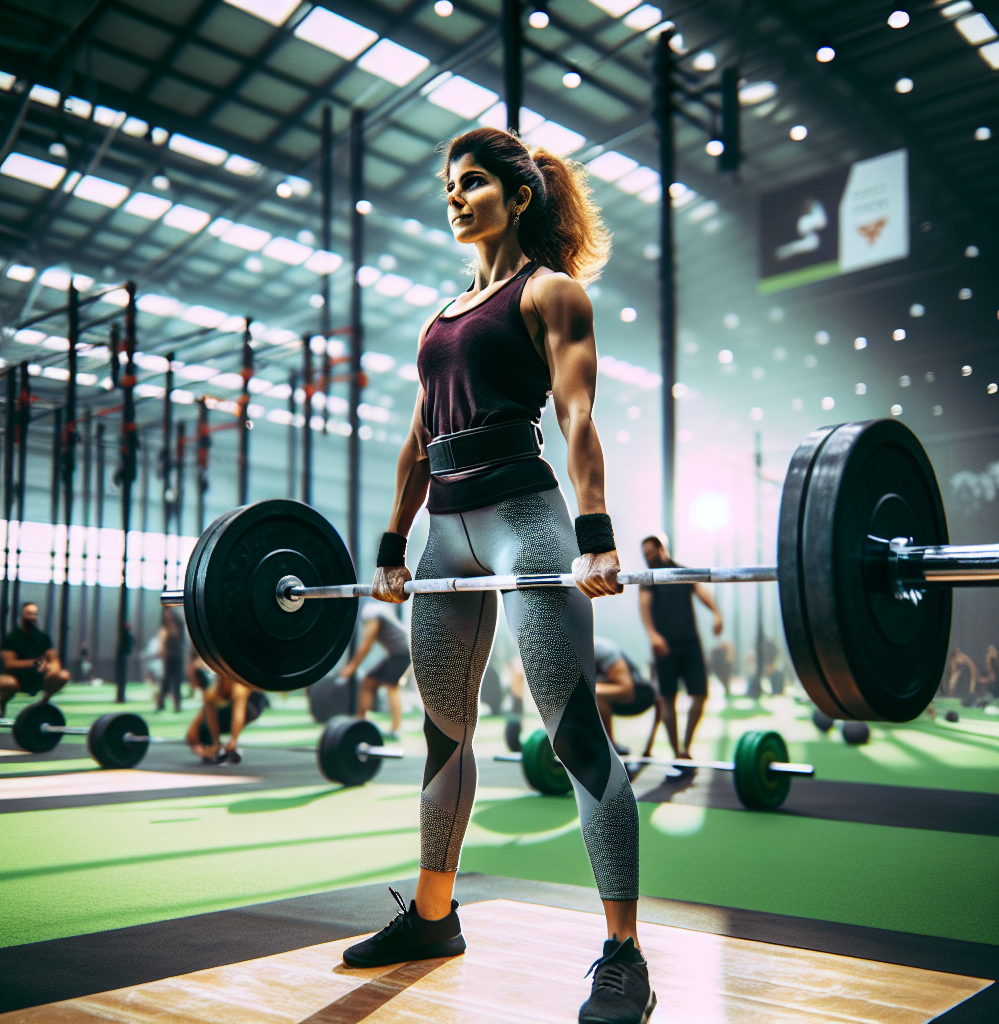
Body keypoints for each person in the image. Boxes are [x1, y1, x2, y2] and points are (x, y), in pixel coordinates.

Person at [341, 127, 654, 1024]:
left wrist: (595, 535)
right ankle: (433, 918)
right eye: (449, 184)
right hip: (445, 532)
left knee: (575, 737)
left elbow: (579, 411)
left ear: (518, 198)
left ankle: (624, 955)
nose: (454, 196)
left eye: (472, 182)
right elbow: (415, 439)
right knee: (445, 733)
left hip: (526, 521)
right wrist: (393, 546)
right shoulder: (438, 318)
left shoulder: (551, 292)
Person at [639, 533, 723, 761]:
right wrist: (653, 635)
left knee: (700, 695)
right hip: (664, 646)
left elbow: (700, 591)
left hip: (690, 642)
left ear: (661, 549)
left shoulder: (682, 572)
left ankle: (686, 745)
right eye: (645, 554)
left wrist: (716, 613)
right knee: (668, 699)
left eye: (651, 552)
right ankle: (678, 752)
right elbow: (644, 607)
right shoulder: (648, 578)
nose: (648, 557)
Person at [337, 600, 412, 739]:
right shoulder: (371, 612)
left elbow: (368, 642)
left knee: (391, 686)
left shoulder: (371, 612)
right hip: (396, 653)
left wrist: (351, 667)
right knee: (369, 681)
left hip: (402, 653)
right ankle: (361, 722)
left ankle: (396, 730)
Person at [0, 602, 70, 717]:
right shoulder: (12, 638)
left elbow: (54, 659)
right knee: (6, 683)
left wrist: (52, 669)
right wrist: (34, 663)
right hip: (18, 679)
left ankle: (43, 703)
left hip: (39, 679)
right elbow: (9, 663)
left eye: (34, 614)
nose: (32, 617)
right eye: (29, 614)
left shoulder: (43, 638)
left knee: (63, 675)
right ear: (22, 615)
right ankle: (2, 706)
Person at [592, 635, 658, 757]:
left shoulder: (603, 650)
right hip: (611, 698)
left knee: (592, 694)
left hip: (639, 696)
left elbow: (627, 691)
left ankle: (611, 748)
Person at [186, 671, 268, 764]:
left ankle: (216, 747)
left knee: (239, 698)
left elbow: (238, 713)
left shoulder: (239, 688)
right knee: (195, 734)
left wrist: (233, 741)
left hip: (253, 705)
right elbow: (204, 718)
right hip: (230, 701)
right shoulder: (213, 690)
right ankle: (210, 747)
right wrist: (214, 743)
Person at [157, 607, 185, 712]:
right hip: (168, 658)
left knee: (177, 680)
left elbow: (181, 640)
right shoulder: (164, 628)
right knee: (166, 680)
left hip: (177, 656)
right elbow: (162, 645)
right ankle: (161, 701)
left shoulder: (178, 625)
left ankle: (177, 704)